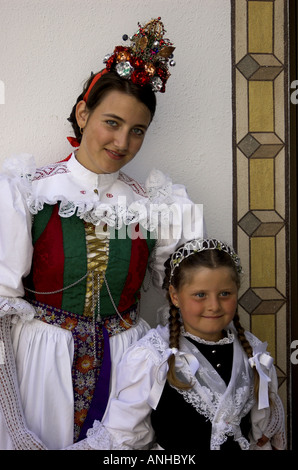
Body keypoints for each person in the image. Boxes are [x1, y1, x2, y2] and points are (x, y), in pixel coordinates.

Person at [0, 18, 204, 450]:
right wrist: (10, 416)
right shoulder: (28, 192)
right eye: (111, 122)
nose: (122, 141)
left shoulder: (156, 204)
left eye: (137, 130)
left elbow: (189, 302)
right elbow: (2, 308)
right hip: (42, 364)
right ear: (82, 113)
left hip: (126, 369)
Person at [66, 238, 286, 451]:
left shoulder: (255, 355)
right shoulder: (153, 356)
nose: (214, 306)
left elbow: (261, 435)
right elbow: (123, 438)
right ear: (175, 296)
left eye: (225, 294)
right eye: (200, 295)